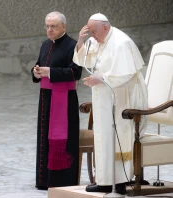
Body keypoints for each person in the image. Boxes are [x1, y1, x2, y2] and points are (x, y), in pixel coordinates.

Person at [73, 13, 148, 194]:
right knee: (104, 136)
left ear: (105, 27)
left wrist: (101, 78)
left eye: (94, 31)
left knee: (117, 135)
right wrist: (80, 41)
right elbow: (83, 60)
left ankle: (120, 181)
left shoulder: (121, 43)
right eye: (89, 31)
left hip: (122, 97)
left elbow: (126, 74)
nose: (92, 35)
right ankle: (105, 180)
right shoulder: (97, 40)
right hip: (104, 97)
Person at [32, 11, 82, 189]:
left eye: (53, 26)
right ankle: (44, 180)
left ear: (63, 27)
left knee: (64, 139)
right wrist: (36, 72)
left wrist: (50, 72)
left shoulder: (72, 45)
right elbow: (39, 65)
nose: (50, 29)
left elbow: (75, 72)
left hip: (65, 101)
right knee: (44, 138)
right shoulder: (46, 44)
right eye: (47, 26)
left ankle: (62, 180)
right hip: (45, 100)